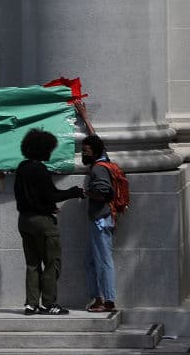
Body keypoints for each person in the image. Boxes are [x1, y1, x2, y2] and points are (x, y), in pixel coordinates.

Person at [14, 128, 86, 315]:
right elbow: (51, 195)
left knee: (32, 263)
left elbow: (26, 196)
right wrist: (73, 192)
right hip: (43, 223)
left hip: (24, 219)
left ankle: (31, 304)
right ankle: (49, 303)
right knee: (52, 263)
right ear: (43, 149)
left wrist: (45, 205)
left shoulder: (22, 168)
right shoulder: (40, 169)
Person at [81, 130, 117, 312]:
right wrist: (86, 119)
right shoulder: (103, 161)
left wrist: (86, 193)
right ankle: (97, 298)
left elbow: (103, 192)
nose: (83, 153)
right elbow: (98, 142)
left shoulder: (98, 168)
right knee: (90, 261)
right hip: (99, 219)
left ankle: (108, 301)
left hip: (100, 220)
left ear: (94, 152)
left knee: (103, 260)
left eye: (86, 150)